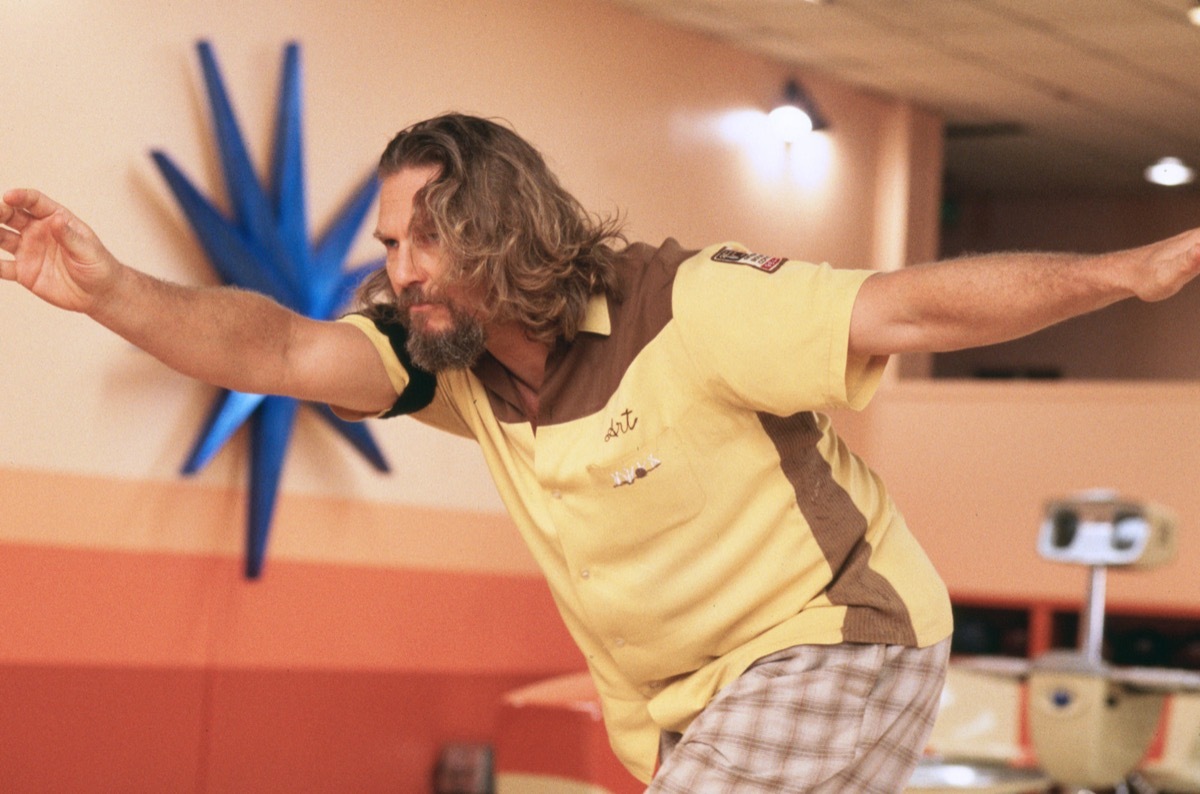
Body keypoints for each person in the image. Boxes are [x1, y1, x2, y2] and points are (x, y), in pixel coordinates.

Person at [3, 113, 1199, 793]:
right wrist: (108, 291)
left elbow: (910, 306)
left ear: (502, 228)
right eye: (387, 243)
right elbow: (275, 348)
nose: (396, 269)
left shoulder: (688, 306)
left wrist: (1126, 274)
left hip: (837, 640)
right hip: (688, 703)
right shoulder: (453, 364)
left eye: (422, 240)